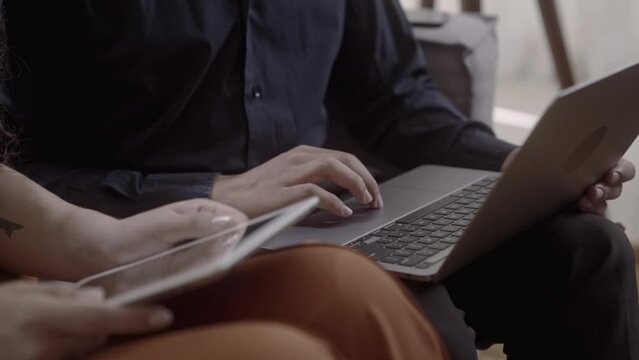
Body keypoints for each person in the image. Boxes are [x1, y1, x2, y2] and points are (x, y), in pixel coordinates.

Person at [3, 0, 638, 359]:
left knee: (587, 250)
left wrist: (519, 169)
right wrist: (213, 191)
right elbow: (19, 174)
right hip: (162, 247)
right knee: (419, 316)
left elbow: (396, 102)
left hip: (342, 220)